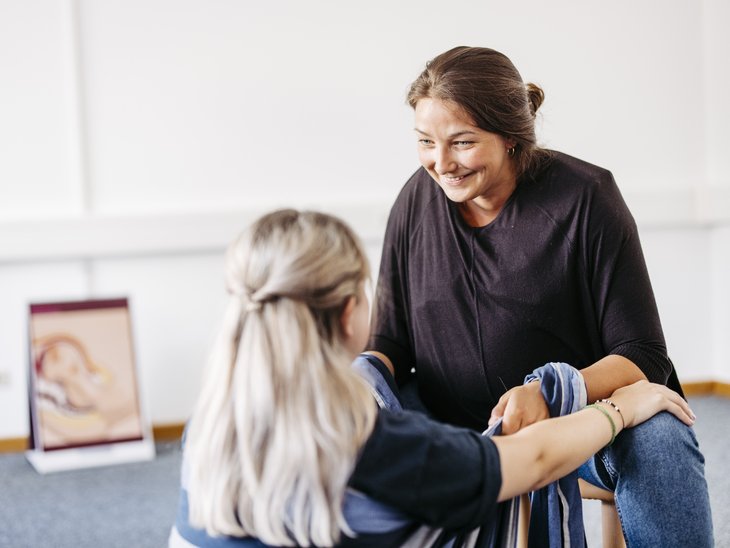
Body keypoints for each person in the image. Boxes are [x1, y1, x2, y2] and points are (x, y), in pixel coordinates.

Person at [169, 208, 694, 547]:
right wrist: (620, 407)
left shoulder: (210, 427)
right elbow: (530, 460)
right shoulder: (374, 446)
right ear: (352, 312)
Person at [366, 46, 713, 546]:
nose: (440, 164)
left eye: (461, 142)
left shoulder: (586, 197)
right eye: (425, 142)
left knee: (660, 440)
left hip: (576, 427)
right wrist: (357, 381)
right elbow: (389, 343)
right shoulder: (414, 201)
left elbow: (644, 355)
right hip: (452, 428)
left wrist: (551, 393)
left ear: (510, 136)